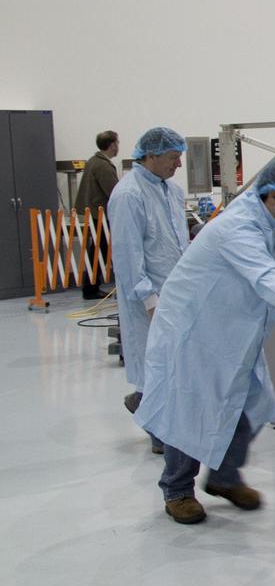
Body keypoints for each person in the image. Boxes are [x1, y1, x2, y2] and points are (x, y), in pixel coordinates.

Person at [134, 155, 275, 524]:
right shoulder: (237, 227)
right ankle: (177, 490)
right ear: (272, 194)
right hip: (195, 330)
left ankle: (224, 478)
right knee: (191, 409)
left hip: (235, 329)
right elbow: (268, 280)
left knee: (248, 403)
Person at [108, 128, 190, 454]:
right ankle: (158, 430)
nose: (179, 164)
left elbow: (179, 245)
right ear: (151, 156)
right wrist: (150, 301)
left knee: (174, 363)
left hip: (176, 293)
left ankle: (142, 402)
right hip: (148, 299)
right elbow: (128, 257)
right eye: (173, 157)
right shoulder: (129, 195)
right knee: (154, 364)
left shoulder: (172, 191)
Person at [73, 130, 120, 299]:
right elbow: (115, 192)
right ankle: (91, 288)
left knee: (97, 250)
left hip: (93, 213)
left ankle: (91, 286)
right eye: (117, 143)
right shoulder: (103, 166)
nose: (118, 146)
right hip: (100, 214)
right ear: (112, 144)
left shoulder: (94, 161)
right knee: (100, 251)